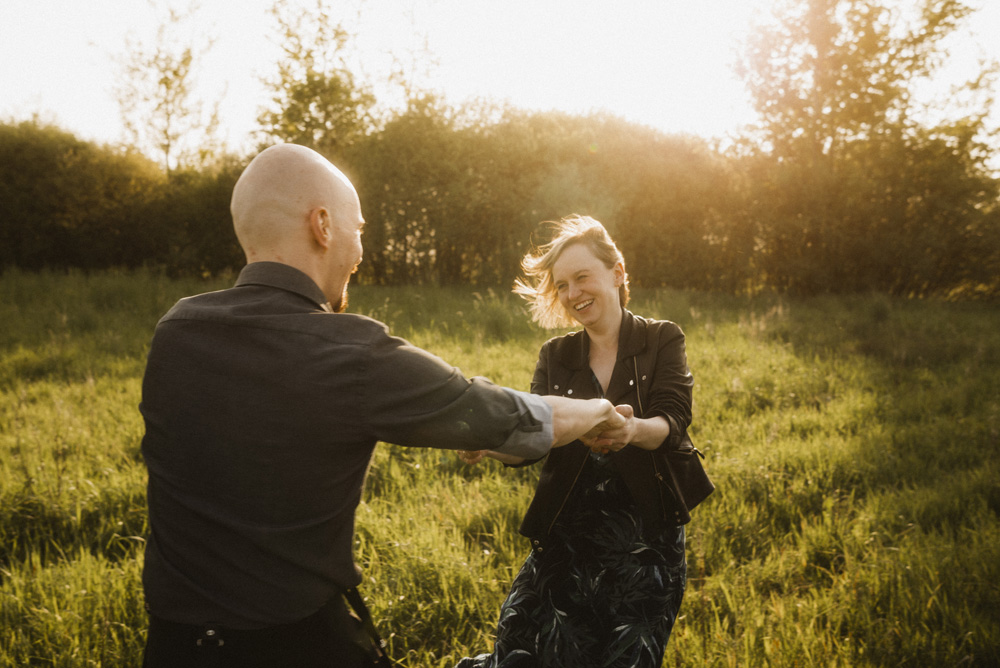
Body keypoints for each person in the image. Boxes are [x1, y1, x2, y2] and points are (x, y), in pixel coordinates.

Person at [138, 144, 625, 668]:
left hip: (172, 647)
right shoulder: (350, 352)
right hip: (299, 647)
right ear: (323, 226)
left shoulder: (175, 331)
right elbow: (508, 418)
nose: (360, 250)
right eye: (359, 229)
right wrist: (600, 411)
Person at [457, 215, 696, 668]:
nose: (572, 294)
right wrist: (490, 444)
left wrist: (631, 431)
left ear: (617, 273)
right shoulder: (556, 355)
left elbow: (673, 421)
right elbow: (534, 436)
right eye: (562, 285)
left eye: (582, 277)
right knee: (519, 647)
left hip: (645, 540)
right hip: (567, 535)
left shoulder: (661, 338)